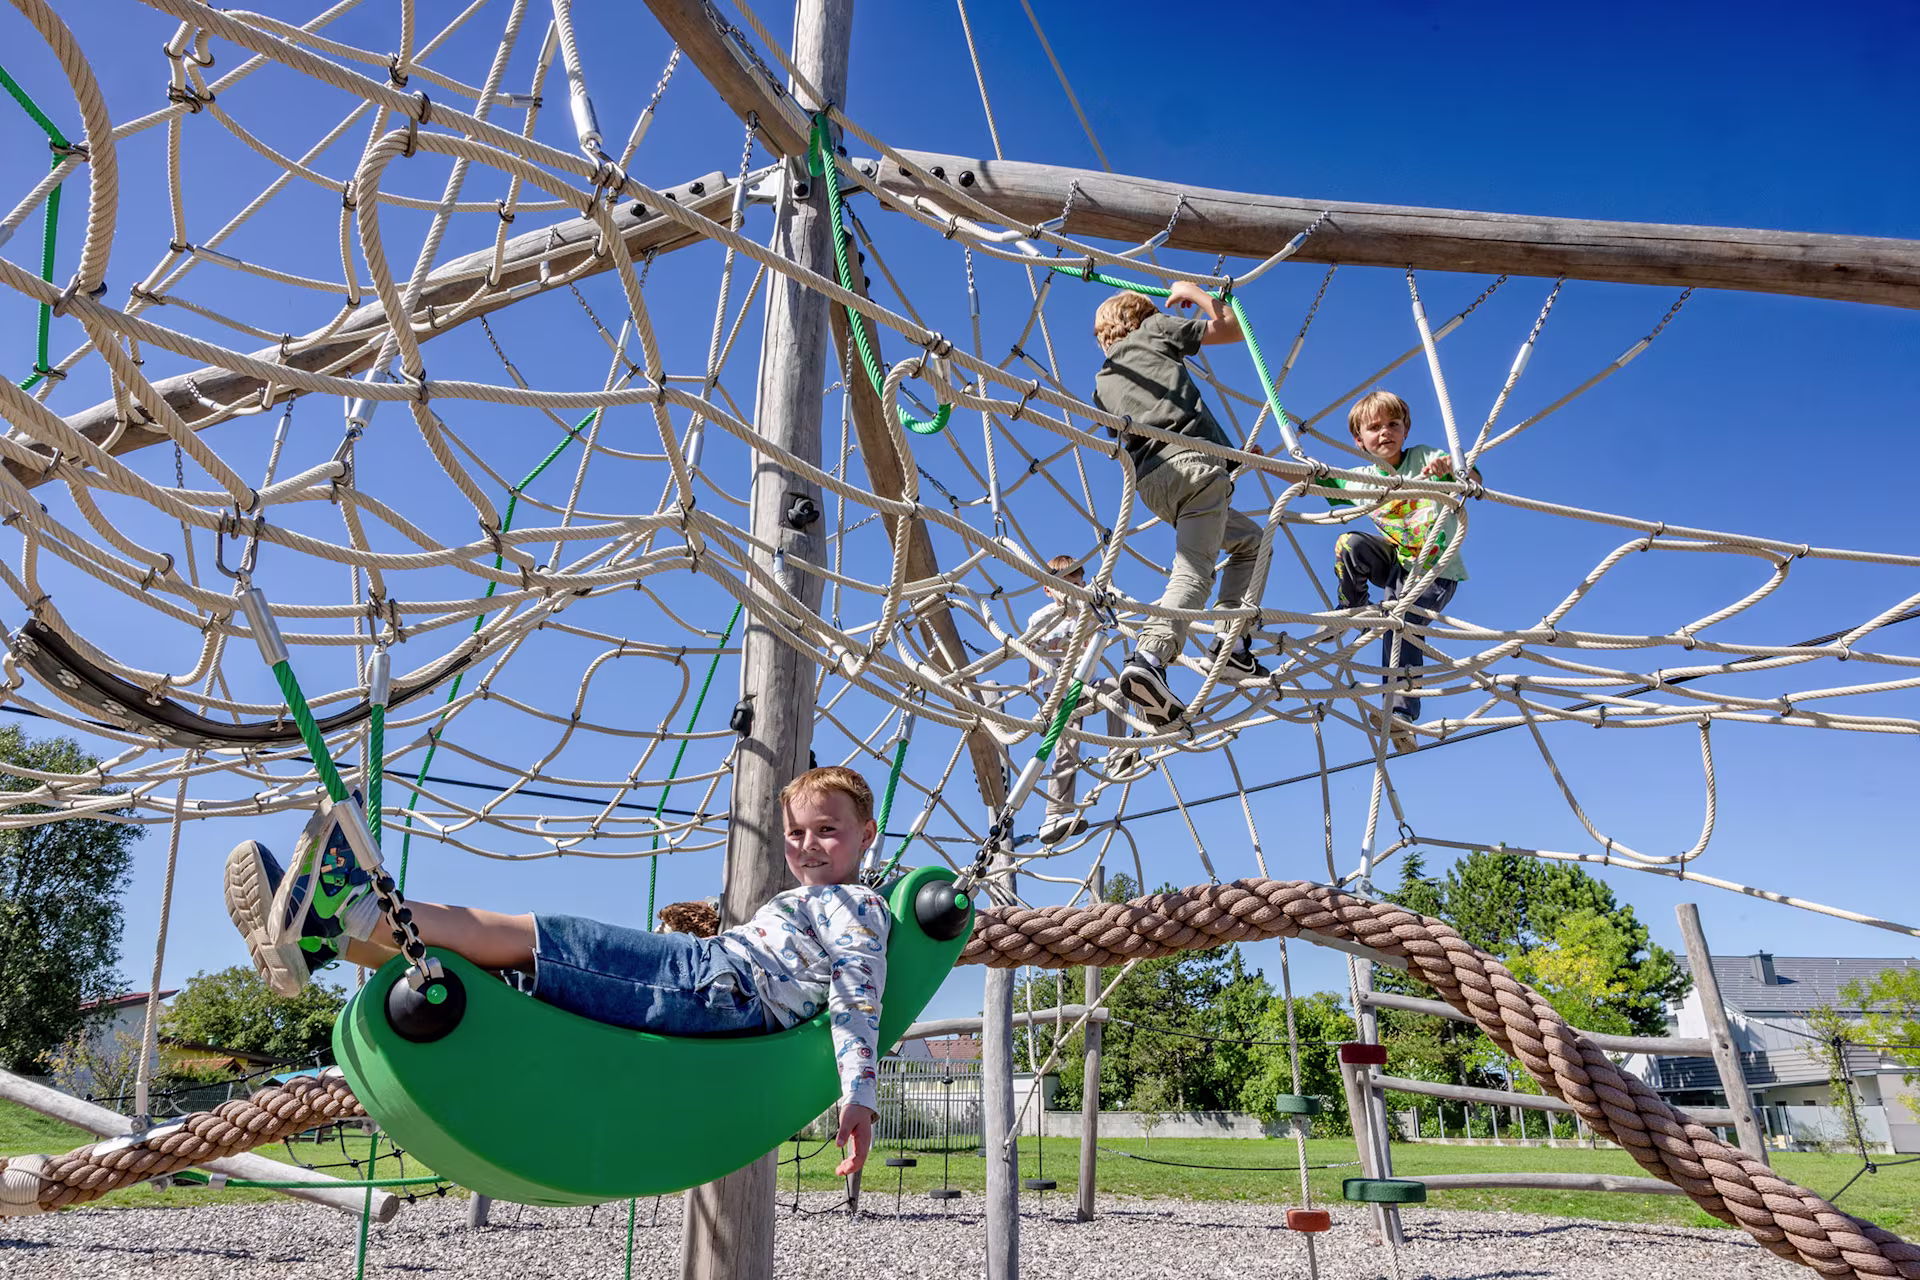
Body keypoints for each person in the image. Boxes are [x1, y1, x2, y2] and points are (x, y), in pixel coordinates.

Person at [222, 766, 890, 1178]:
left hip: (718, 983)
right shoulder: (813, 901)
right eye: (796, 833)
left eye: (826, 831)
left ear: (867, 834)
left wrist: (858, 1094)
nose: (808, 846)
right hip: (718, 986)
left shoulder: (856, 904)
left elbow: (857, 995)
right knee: (507, 980)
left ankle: (351, 911)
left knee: (548, 940)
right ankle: (333, 941)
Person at [1092, 282, 1267, 728]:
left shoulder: (1103, 382)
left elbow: (1150, 421)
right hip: (1193, 469)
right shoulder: (1154, 329)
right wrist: (1197, 293)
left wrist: (1234, 457)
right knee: (1195, 572)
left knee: (1250, 540)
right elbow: (1233, 329)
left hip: (1154, 484)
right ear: (1142, 317)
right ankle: (1149, 657)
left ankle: (1231, 645)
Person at [1317, 390, 1479, 751]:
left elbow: (1473, 480)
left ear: (1406, 430)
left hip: (1436, 571)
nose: (1385, 432)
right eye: (1374, 427)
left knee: (1399, 623)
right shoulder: (1362, 480)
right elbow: (1311, 481)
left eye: (1393, 424)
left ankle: (1402, 715)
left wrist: (1452, 469)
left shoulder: (1424, 459)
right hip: (1397, 566)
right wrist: (1261, 462)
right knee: (1349, 543)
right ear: (1359, 440)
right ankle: (1352, 609)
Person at [1023, 554, 1127, 845]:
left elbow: (1111, 608)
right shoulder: (1041, 618)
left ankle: (1117, 752)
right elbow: (1030, 650)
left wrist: (1102, 595)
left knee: (1119, 687)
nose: (1073, 591)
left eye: (1077, 584)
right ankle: (1054, 816)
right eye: (1065, 585)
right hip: (1058, 694)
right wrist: (1033, 677)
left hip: (1086, 687)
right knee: (1066, 751)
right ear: (1048, 589)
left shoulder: (1087, 612)